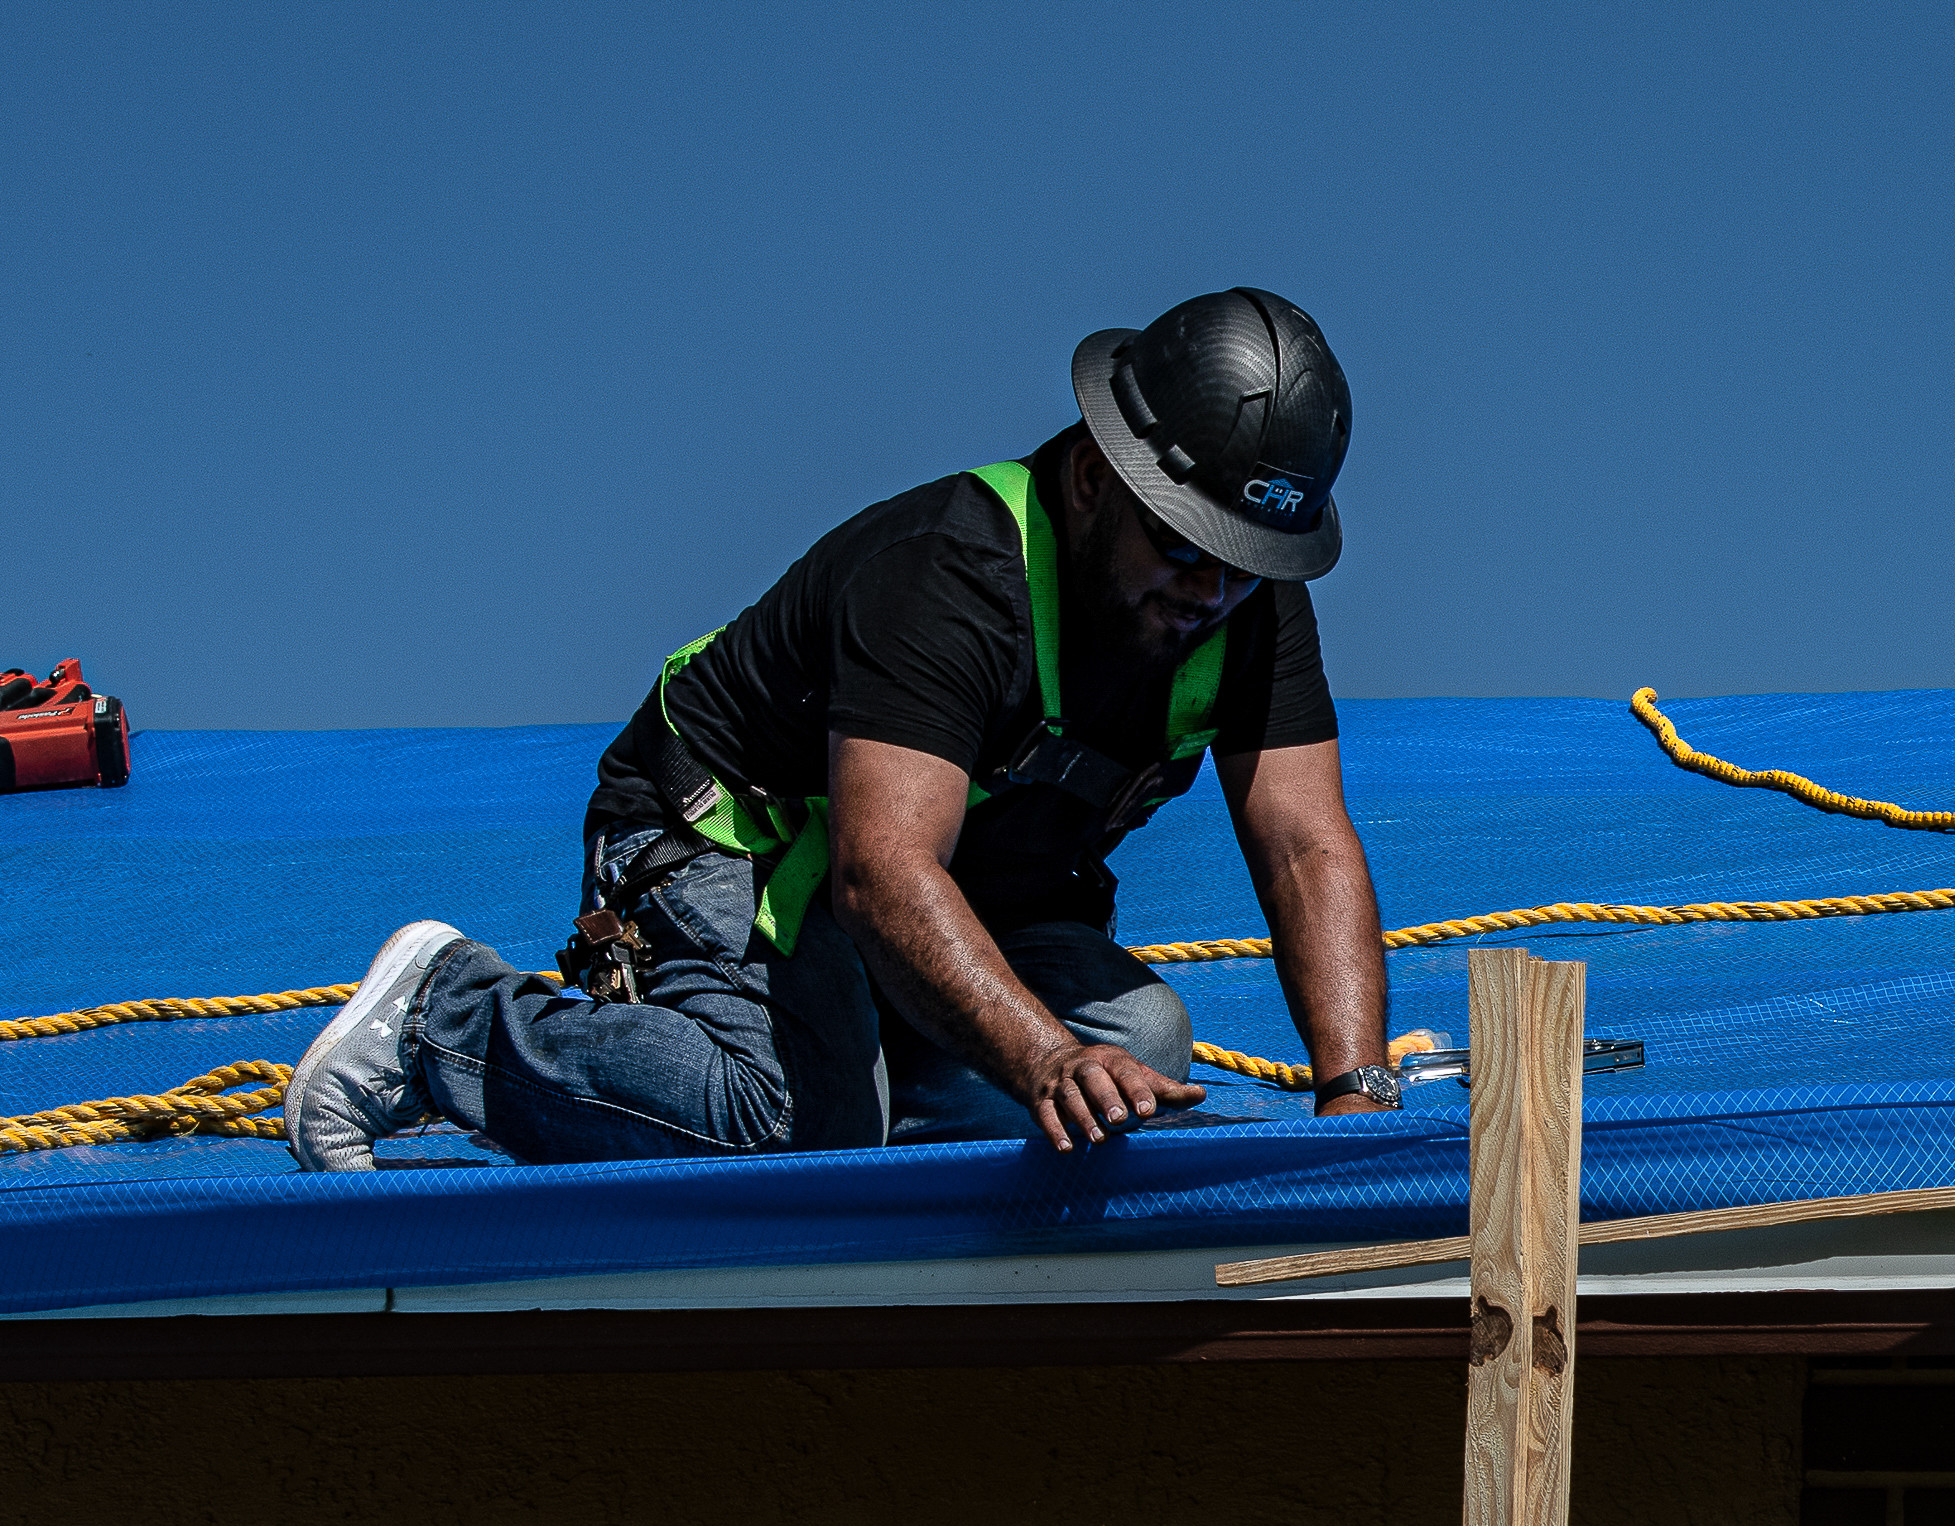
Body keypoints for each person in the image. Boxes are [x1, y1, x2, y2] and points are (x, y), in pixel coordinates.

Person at [282, 290, 1413, 1168]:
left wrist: (1356, 1095)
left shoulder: (1249, 609)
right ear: (1087, 478)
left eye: (1242, 564)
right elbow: (882, 872)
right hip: (730, 840)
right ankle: (451, 1017)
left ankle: (853, 1063)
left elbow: (1306, 845)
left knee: (1147, 1042)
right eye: (1181, 547)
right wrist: (1042, 1053)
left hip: (944, 885)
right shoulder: (952, 576)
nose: (1211, 590)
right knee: (794, 1123)